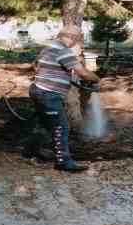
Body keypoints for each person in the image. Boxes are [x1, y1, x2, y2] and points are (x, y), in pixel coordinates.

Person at [27, 26, 100, 173]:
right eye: (79, 38)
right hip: (48, 94)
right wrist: (97, 79)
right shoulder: (63, 50)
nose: (78, 42)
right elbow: (83, 73)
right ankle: (64, 161)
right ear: (73, 37)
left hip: (38, 90)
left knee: (44, 123)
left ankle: (34, 151)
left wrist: (61, 77)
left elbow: (36, 66)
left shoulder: (49, 47)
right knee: (61, 126)